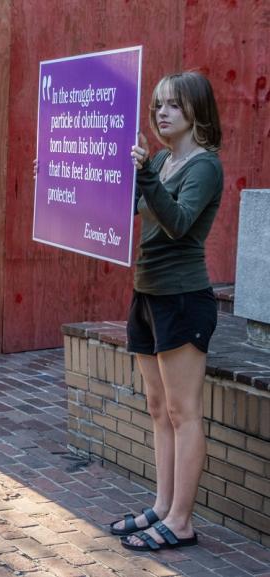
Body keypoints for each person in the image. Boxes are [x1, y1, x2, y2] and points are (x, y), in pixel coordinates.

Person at [107, 72, 223, 552]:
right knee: (158, 409)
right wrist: (58, 173)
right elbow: (120, 205)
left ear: (196, 111)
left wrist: (146, 175)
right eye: (157, 105)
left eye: (173, 105)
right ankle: (162, 506)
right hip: (147, 294)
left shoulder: (204, 167)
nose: (161, 113)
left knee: (183, 411)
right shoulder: (159, 161)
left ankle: (181, 522)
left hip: (182, 299)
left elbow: (176, 224)